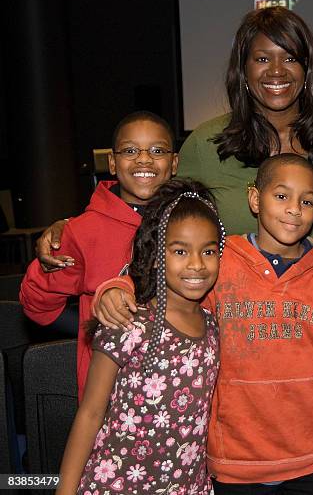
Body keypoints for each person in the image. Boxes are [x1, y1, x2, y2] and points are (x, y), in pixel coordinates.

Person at [37, 6, 313, 276]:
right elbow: (151, 212)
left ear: (307, 68)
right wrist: (73, 227)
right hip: (233, 326)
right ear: (244, 70)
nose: (276, 71)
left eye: (290, 58)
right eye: (262, 59)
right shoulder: (207, 144)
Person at [92, 154, 313, 492]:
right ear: (255, 199)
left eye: (306, 201)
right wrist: (118, 287)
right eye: (282, 196)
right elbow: (162, 280)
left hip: (312, 458)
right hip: (234, 460)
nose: (293, 209)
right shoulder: (217, 262)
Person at [57, 178, 224, 494]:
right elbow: (91, 414)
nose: (196, 265)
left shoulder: (212, 326)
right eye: (179, 250)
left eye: (209, 251)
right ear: (157, 254)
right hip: (118, 484)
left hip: (186, 486)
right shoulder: (127, 322)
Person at [19, 111, 178, 400]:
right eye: (131, 151)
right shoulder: (83, 231)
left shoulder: (190, 223)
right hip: (111, 398)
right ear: (113, 164)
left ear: (174, 162)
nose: (144, 159)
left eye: (157, 150)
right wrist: (91, 326)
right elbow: (37, 304)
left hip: (183, 386)